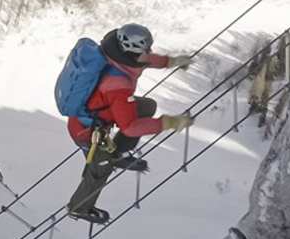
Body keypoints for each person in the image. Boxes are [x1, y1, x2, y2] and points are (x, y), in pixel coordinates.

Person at [65, 24, 195, 224]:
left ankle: (117, 154)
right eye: (146, 49)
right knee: (101, 167)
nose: (149, 52)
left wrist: (172, 62)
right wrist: (168, 123)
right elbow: (130, 127)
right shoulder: (119, 84)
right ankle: (79, 207)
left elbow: (145, 60)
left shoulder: (115, 54)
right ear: (133, 52)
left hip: (100, 111)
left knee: (146, 107)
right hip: (86, 130)